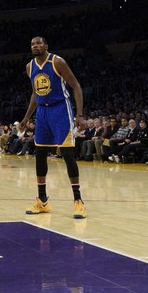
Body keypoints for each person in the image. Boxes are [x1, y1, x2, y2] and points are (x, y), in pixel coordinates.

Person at [19, 37, 87, 219]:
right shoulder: (29, 67)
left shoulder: (57, 62)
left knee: (67, 154)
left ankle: (78, 201)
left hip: (60, 110)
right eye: (33, 44)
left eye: (39, 43)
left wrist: (79, 115)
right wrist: (26, 117)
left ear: (46, 46)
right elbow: (35, 92)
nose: (36, 46)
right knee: (40, 155)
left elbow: (76, 86)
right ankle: (42, 200)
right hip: (42, 111)